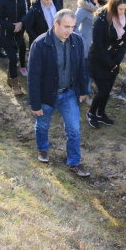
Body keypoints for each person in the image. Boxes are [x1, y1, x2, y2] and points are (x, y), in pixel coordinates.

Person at [28, 9, 90, 177]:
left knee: (74, 130)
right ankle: (42, 149)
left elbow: (81, 68)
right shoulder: (40, 44)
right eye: (66, 26)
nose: (69, 31)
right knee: (42, 124)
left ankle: (74, 162)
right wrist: (35, 103)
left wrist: (83, 90)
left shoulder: (77, 41)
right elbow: (33, 77)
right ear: (56, 24)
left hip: (69, 93)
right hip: (47, 95)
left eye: (72, 26)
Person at [86, 0, 126, 128]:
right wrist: (110, 64)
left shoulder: (122, 19)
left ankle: (101, 113)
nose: (122, 11)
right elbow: (98, 45)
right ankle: (91, 113)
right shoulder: (101, 19)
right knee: (103, 90)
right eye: (120, 9)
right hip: (99, 60)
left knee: (108, 89)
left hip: (113, 61)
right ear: (113, 6)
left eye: (124, 9)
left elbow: (124, 43)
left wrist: (116, 62)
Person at [75, 0, 108, 95]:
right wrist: (82, 40)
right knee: (86, 71)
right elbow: (73, 25)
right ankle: (85, 92)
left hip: (100, 45)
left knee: (94, 69)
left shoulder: (105, 6)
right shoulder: (84, 8)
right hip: (87, 46)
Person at [0, 0, 27, 94]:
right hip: (6, 33)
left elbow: (24, 13)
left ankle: (11, 74)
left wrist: (21, 23)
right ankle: (15, 83)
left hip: (19, 32)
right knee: (13, 57)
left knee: (19, 52)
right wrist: (11, 25)